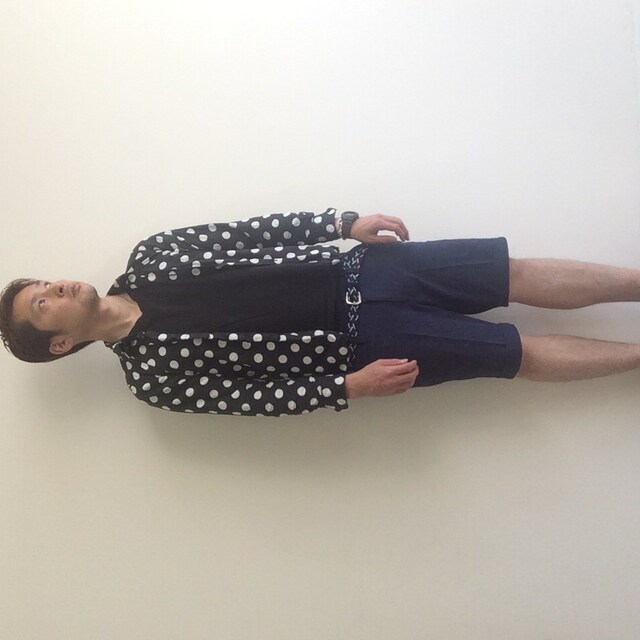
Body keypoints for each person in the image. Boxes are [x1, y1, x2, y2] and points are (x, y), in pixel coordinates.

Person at [1, 208, 640, 418]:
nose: (57, 287)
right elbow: (255, 399)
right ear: (59, 344)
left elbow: (249, 233)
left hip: (366, 269)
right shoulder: (152, 379)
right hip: (365, 343)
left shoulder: (152, 254)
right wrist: (347, 387)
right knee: (512, 354)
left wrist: (340, 223)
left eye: (44, 283)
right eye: (42, 303)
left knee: (512, 273)